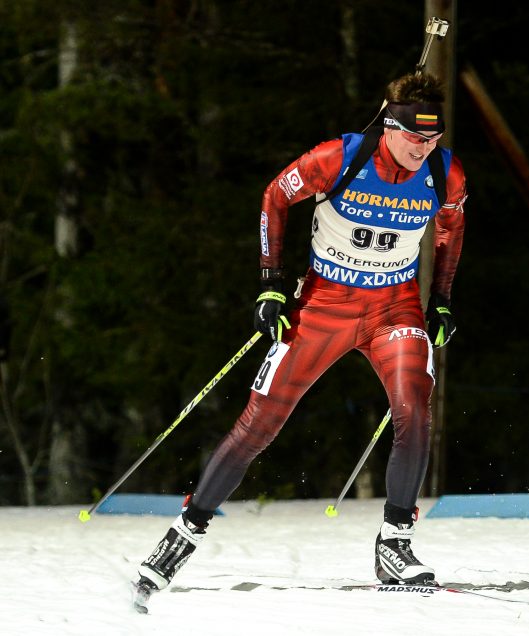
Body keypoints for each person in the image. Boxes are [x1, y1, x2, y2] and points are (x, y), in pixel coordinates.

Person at [134, 71, 467, 605]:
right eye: (414, 137)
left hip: (393, 306)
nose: (423, 149)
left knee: (415, 407)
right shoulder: (340, 158)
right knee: (259, 423)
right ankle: (182, 536)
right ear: (388, 126)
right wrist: (269, 283)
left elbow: (451, 231)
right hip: (322, 306)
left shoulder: (445, 174)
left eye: (433, 140)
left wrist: (442, 298)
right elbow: (274, 196)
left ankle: (395, 542)